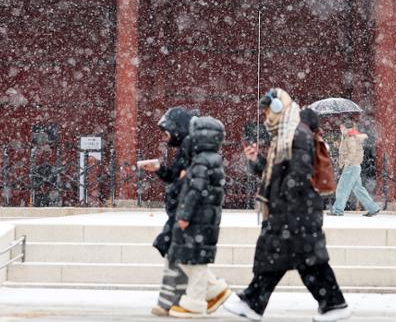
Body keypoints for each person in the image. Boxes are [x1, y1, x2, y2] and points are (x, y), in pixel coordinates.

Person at [225, 88, 350, 322]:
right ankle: (253, 302)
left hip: (297, 210)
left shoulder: (295, 134)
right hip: (289, 209)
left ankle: (334, 304)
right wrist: (256, 161)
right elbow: (277, 174)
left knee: (307, 262)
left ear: (278, 108)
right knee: (276, 257)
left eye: (266, 112)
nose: (265, 118)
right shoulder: (284, 135)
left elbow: (299, 174)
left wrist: (286, 202)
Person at [168, 116, 231, 318]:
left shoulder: (202, 161)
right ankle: (215, 290)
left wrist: (184, 215)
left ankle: (195, 302)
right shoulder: (211, 159)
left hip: (198, 219)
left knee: (193, 261)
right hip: (206, 219)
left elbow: (196, 190)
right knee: (191, 259)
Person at [144, 106, 194, 316]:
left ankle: (170, 301)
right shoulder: (186, 147)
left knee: (174, 253)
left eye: (167, 132)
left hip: (183, 212)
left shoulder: (191, 149)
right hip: (179, 210)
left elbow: (192, 185)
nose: (165, 137)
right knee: (176, 254)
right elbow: (176, 176)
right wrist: (160, 169)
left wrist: (185, 214)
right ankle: (179, 299)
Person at [329, 120, 380, 217]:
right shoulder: (349, 137)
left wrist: (346, 163)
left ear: (346, 128)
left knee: (342, 188)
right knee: (358, 189)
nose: (340, 128)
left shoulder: (350, 138)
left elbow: (352, 153)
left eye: (341, 127)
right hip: (355, 166)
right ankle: (373, 208)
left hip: (351, 167)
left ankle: (338, 210)